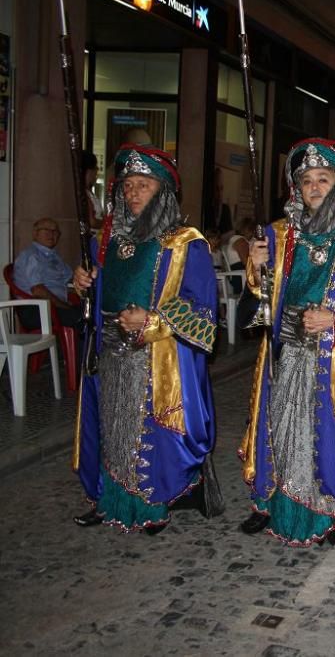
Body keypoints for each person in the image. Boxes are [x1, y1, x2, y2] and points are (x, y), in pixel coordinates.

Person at [238, 138, 335, 546]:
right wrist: (256, 269)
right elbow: (263, 294)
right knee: (280, 427)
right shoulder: (279, 232)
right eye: (306, 180)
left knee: (323, 434)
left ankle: (327, 508)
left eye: (323, 179)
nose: (314, 187)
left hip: (334, 352)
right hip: (286, 348)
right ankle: (273, 501)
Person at [71, 143, 219, 534]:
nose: (133, 193)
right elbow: (100, 291)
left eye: (144, 185)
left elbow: (203, 313)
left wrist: (152, 320)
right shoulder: (105, 241)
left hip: (156, 356)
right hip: (108, 350)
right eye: (128, 185)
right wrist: (84, 283)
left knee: (146, 432)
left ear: (163, 193)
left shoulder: (186, 242)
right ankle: (108, 499)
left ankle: (151, 504)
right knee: (109, 426)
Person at [13, 217, 83, 331]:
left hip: (54, 306)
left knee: (91, 313)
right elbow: (38, 291)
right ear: (35, 234)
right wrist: (64, 306)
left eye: (55, 231)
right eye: (46, 230)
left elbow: (71, 278)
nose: (52, 234)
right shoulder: (31, 256)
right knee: (81, 319)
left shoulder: (53, 256)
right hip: (36, 309)